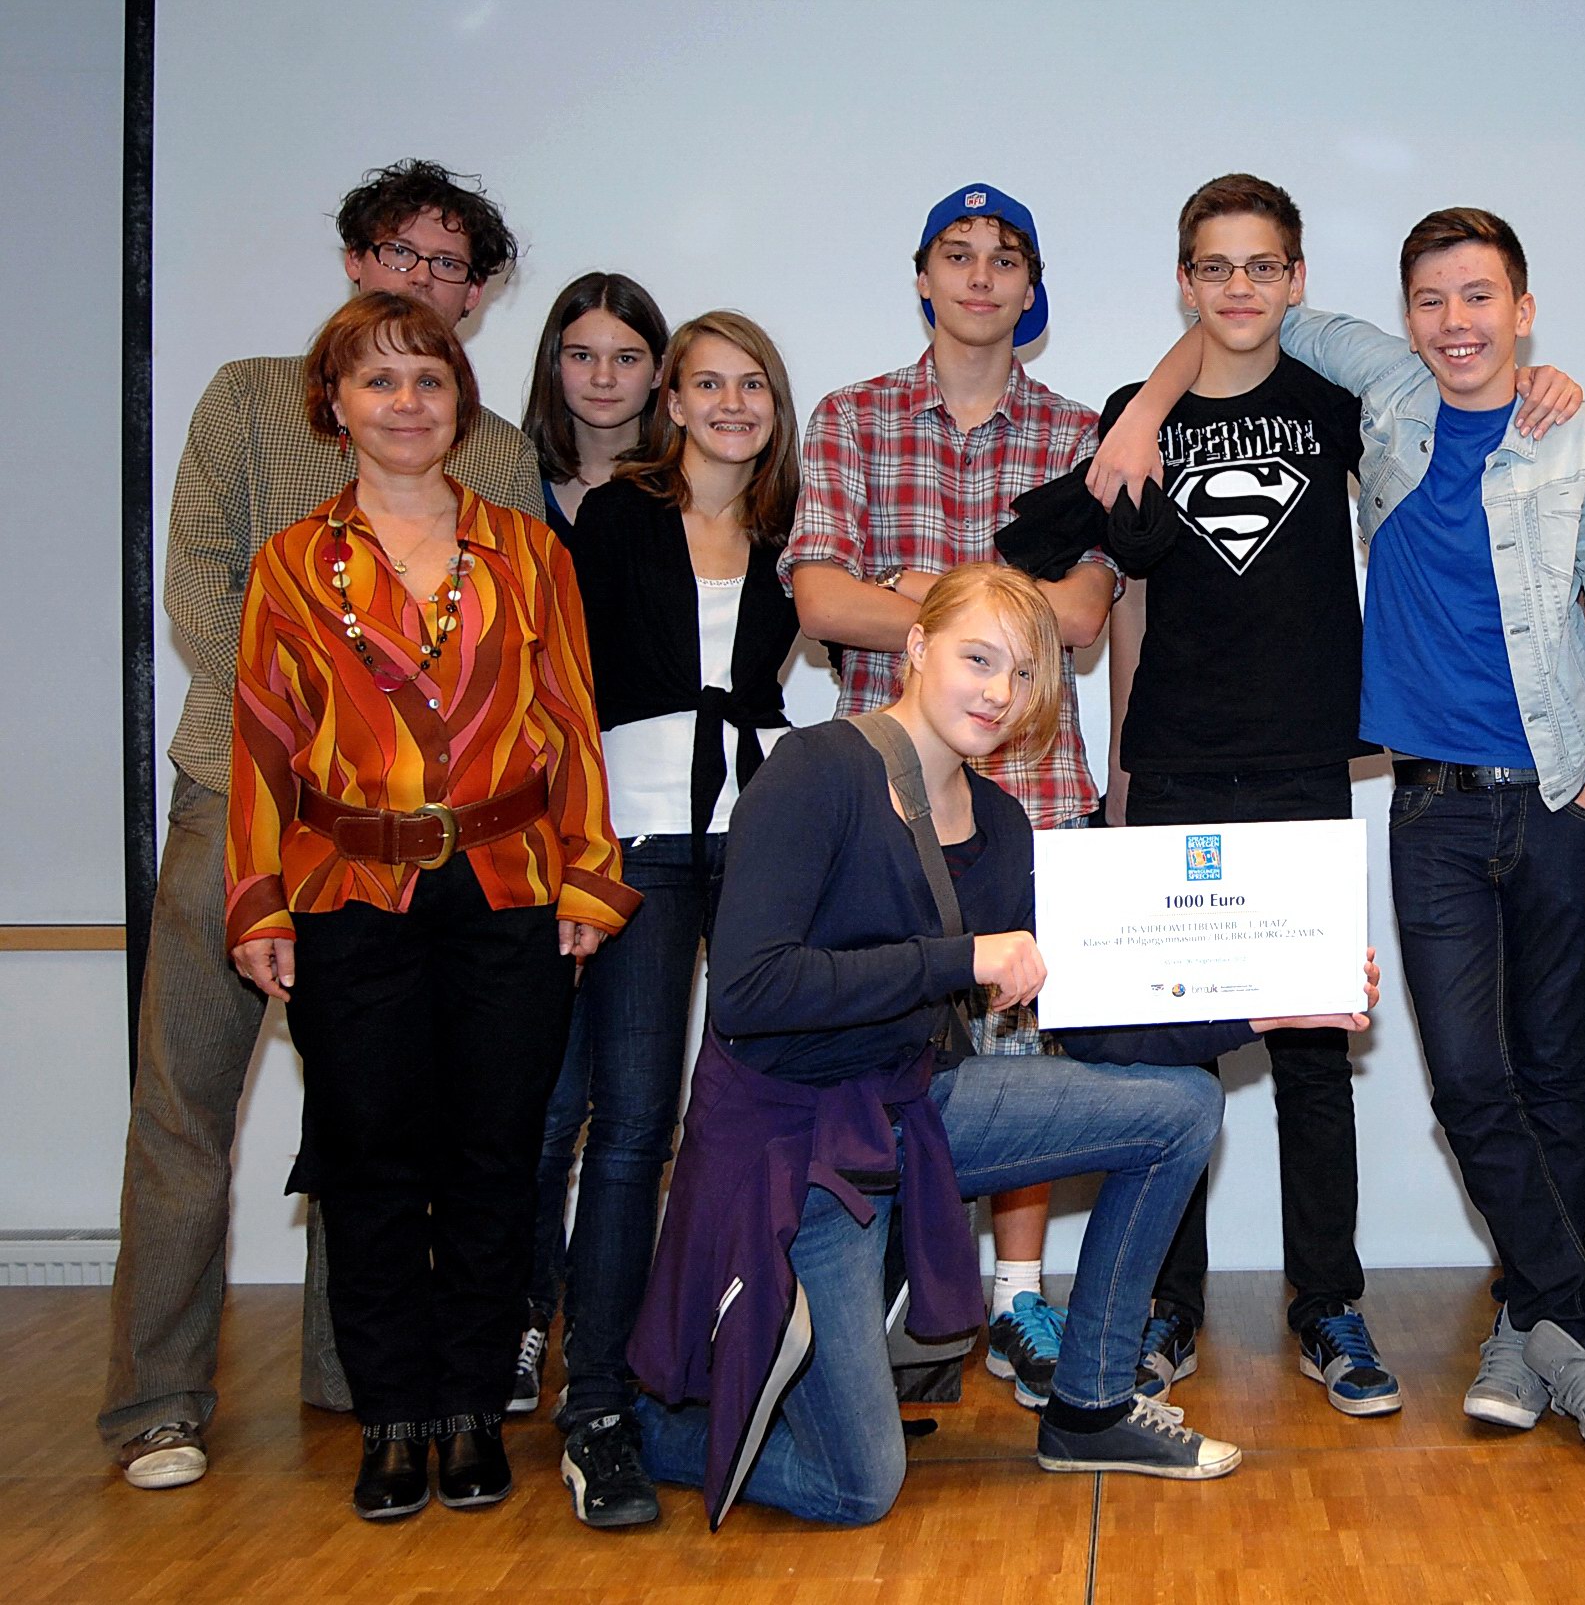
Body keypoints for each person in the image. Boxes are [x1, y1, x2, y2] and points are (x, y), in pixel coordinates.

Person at [627, 564, 1378, 1527]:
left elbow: (1093, 1018)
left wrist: (1266, 1011)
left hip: (914, 1110)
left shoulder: (1002, 822)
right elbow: (749, 990)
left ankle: (1091, 1406)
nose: (999, 692)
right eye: (977, 659)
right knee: (858, 1488)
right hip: (797, 1151)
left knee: (1181, 1104)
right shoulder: (816, 769)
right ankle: (655, 1431)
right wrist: (959, 957)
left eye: (1023, 674)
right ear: (916, 647)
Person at [1095, 207, 1585, 1453]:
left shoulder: (1565, 433)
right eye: (1431, 299)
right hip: (1407, 800)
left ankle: (1518, 1323)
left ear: (1522, 308)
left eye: (1480, 296)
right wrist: (1141, 414)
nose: (1455, 322)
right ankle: (1570, 1319)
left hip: (1537, 787)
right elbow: (1240, 316)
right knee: (1453, 1081)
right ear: (1405, 315)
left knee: (1538, 1072)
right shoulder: (1387, 391)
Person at [103, 159, 542, 1493]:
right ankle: (158, 1402)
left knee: (373, 1104)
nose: (424, 280)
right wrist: (329, 722)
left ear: (474, 301)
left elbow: (517, 662)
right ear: (356, 260)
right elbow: (200, 585)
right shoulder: (249, 397)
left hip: (419, 837)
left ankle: (364, 1387)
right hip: (239, 789)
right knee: (186, 1105)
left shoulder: (497, 451)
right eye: (402, 253)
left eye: (451, 266)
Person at [225, 291, 636, 1520]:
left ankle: (469, 1411)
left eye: (429, 380)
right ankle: (392, 1416)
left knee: (494, 1156)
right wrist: (257, 902)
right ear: (334, 404)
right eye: (378, 380)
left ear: (461, 402)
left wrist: (588, 874)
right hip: (348, 892)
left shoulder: (528, 551)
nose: (406, 403)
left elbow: (572, 724)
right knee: (368, 1157)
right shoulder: (291, 562)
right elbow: (261, 743)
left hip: (508, 890)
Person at [1035, 173, 1386, 1414]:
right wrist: (1122, 780)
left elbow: (1443, 403)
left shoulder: (1334, 403)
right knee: (1169, 1055)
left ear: (1296, 278)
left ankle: (1327, 1302)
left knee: (1310, 1047)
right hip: (1176, 761)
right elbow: (1123, 588)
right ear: (1183, 281)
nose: (1239, 287)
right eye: (1215, 267)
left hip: (1299, 758)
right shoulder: (1134, 419)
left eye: (1262, 265)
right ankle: (1163, 1306)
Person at [780, 183, 1110, 1407]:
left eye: (1004, 257)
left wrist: (920, 597)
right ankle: (895, 1293)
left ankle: (1016, 1298)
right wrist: (991, 611)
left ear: (1031, 287)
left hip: (1033, 787)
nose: (979, 275)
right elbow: (819, 600)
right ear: (922, 276)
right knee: (888, 1038)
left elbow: (1082, 613)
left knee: (1022, 1053)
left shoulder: (1078, 430)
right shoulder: (852, 416)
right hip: (886, 798)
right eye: (956, 254)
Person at [529, 312, 803, 1527]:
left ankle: (730, 1362)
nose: (732, 403)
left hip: (758, 835)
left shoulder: (789, 531)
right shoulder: (615, 519)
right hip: (634, 836)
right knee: (632, 1120)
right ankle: (597, 1402)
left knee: (752, 1114)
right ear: (673, 404)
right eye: (708, 384)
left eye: (754, 385)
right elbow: (565, 686)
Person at [522, 272, 670, 524]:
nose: (603, 378)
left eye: (626, 359)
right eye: (582, 356)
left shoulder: (686, 495)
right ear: (554, 364)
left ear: (658, 371)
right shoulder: (513, 483)